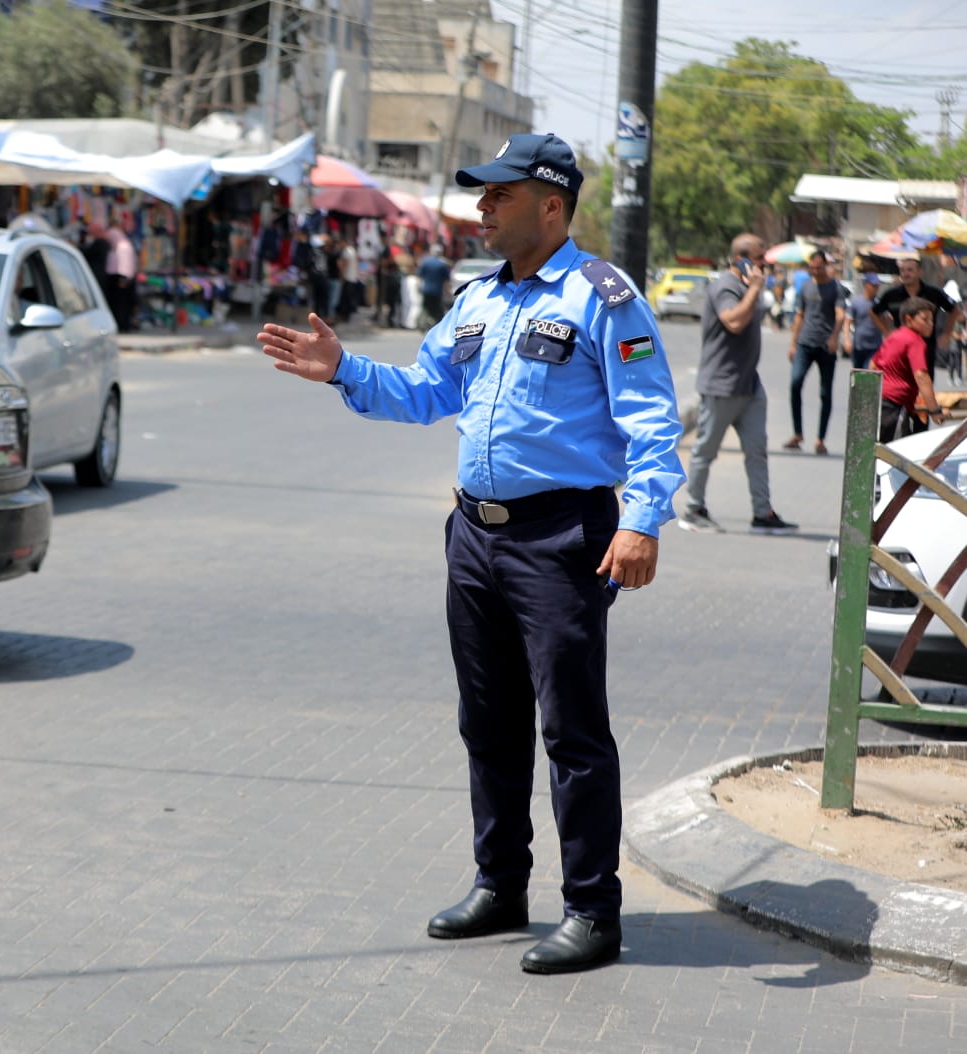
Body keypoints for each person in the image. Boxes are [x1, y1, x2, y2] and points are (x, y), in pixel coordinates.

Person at [256, 133, 684, 975]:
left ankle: (593, 910)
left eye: (499, 195)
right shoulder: (477, 299)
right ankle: (501, 886)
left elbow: (651, 417)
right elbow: (424, 394)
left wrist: (642, 520)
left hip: (563, 538)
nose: (481, 208)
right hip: (474, 539)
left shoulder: (603, 296)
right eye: (481, 195)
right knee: (486, 723)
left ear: (550, 205)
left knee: (571, 730)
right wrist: (342, 368)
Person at [677, 236, 798, 535]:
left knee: (757, 450)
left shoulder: (745, 286)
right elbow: (733, 321)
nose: (764, 267)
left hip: (749, 385)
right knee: (706, 450)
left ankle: (762, 513)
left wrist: (755, 289)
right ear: (742, 259)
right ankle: (693, 509)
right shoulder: (726, 286)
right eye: (760, 260)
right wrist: (756, 289)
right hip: (722, 384)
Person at [782, 250, 846, 455]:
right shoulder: (806, 286)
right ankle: (798, 433)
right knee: (795, 383)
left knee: (825, 393)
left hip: (826, 345)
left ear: (825, 265)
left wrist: (835, 337)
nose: (815, 271)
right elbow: (799, 315)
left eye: (818, 267)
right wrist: (793, 343)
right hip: (805, 343)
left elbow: (840, 314)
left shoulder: (836, 288)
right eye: (812, 267)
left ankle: (820, 439)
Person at [872, 257, 961, 381]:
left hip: (926, 349)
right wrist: (886, 332)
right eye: (902, 270)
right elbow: (873, 312)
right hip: (900, 350)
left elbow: (954, 310)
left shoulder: (933, 293)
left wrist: (947, 333)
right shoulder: (891, 295)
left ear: (919, 272)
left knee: (924, 384)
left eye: (910, 270)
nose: (905, 274)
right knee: (902, 387)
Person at [872, 296, 947, 442]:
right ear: (909, 319)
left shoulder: (894, 337)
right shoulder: (915, 341)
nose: (930, 324)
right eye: (925, 320)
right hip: (894, 406)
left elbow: (873, 365)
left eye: (932, 320)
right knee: (892, 454)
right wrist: (934, 410)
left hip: (877, 401)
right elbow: (921, 376)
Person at [843, 272, 884, 370]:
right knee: (858, 375)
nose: (876, 288)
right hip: (858, 346)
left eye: (877, 285)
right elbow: (847, 321)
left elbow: (886, 322)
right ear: (866, 285)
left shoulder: (880, 303)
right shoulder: (856, 302)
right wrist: (847, 339)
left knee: (869, 371)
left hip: (875, 346)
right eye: (873, 285)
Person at [104, 222, 138, 333]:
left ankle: (123, 325)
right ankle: (121, 324)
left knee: (121, 304)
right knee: (119, 304)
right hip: (119, 278)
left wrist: (124, 279)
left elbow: (125, 264)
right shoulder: (119, 245)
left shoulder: (122, 246)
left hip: (121, 279)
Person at [417, 243, 451, 327]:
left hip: (426, 290)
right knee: (437, 310)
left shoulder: (425, 262)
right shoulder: (443, 265)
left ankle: (424, 323)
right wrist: (448, 292)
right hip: (437, 291)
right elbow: (446, 281)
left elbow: (419, 276)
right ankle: (437, 324)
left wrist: (419, 287)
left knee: (426, 307)